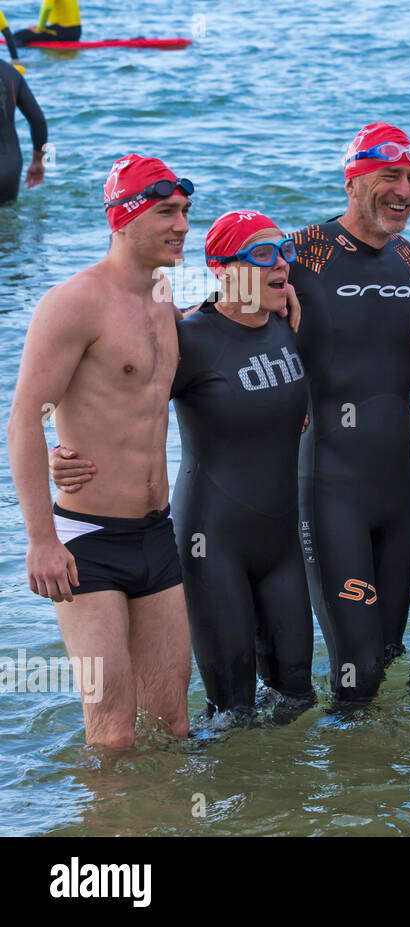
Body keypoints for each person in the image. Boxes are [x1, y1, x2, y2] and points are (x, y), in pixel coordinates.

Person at [51, 211, 316, 721]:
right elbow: (112, 402)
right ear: (221, 268)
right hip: (213, 545)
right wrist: (58, 453)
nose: (280, 264)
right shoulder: (188, 340)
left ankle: (291, 802)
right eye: (262, 255)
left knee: (298, 699)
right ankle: (213, 798)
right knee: (232, 712)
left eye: (284, 252)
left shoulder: (286, 321)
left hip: (282, 545)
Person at [6, 154, 193, 747]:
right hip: (87, 540)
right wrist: (41, 539)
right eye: (167, 212)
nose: (183, 226)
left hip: (156, 534)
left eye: (186, 212)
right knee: (113, 733)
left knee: (171, 725)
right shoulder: (73, 303)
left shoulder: (167, 299)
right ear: (124, 218)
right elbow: (23, 421)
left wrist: (274, 302)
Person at [290, 122, 410, 701]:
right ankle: (341, 783)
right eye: (390, 177)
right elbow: (218, 327)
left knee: (389, 654)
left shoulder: (408, 258)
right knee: (358, 670)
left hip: (397, 487)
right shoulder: (302, 252)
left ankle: (384, 785)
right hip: (330, 485)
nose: (405, 191)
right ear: (353, 181)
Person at [0, 56, 44, 202]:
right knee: (9, 221)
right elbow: (38, 121)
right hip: (9, 167)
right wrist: (38, 161)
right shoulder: (11, 72)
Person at [14, 0, 80, 45]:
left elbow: (47, 8)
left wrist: (40, 29)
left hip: (63, 33)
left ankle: (18, 62)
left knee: (18, 36)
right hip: (75, 32)